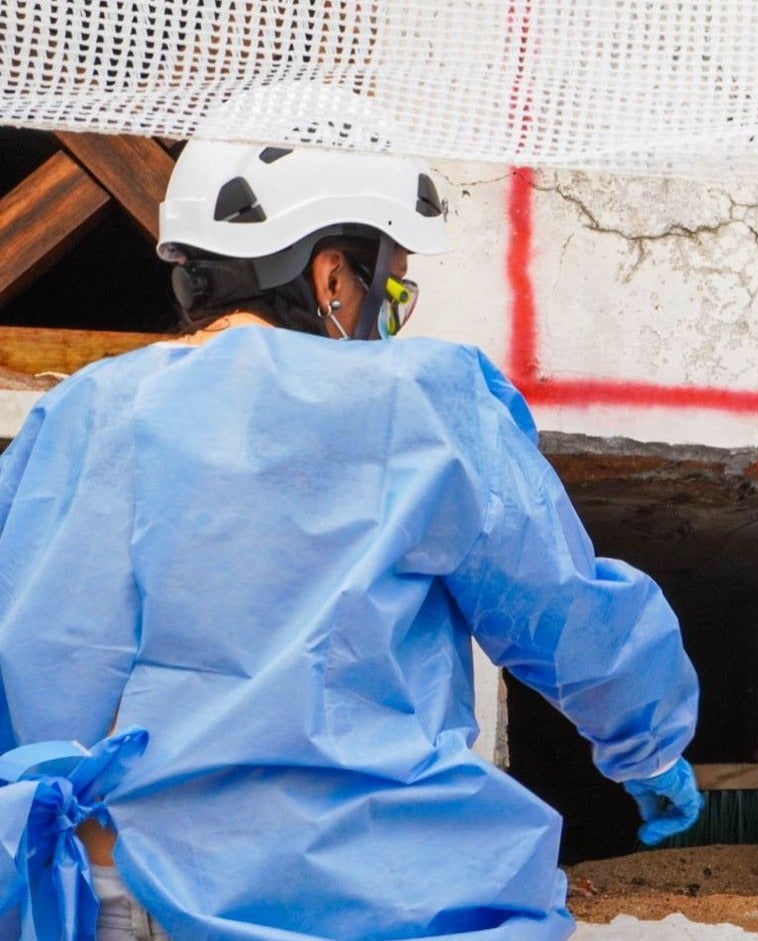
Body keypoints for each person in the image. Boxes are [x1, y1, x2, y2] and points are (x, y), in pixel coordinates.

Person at [0, 90, 703, 941]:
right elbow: (561, 602)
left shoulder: (75, 414)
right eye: (393, 285)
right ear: (332, 276)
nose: (393, 317)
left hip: (99, 889)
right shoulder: (421, 402)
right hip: (354, 893)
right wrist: (650, 743)